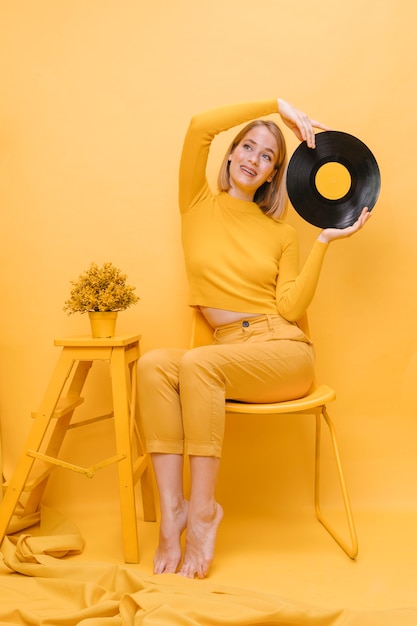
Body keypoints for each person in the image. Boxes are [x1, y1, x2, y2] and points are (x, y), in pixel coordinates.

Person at [137, 97, 371, 580]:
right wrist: (275, 106)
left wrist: (323, 243)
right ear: (229, 154)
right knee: (154, 365)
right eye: (247, 146)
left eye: (267, 156)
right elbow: (199, 125)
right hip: (227, 350)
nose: (253, 159)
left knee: (198, 364)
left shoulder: (281, 234)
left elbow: (288, 309)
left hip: (282, 354)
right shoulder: (196, 204)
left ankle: (203, 515)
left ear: (273, 175)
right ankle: (173, 511)